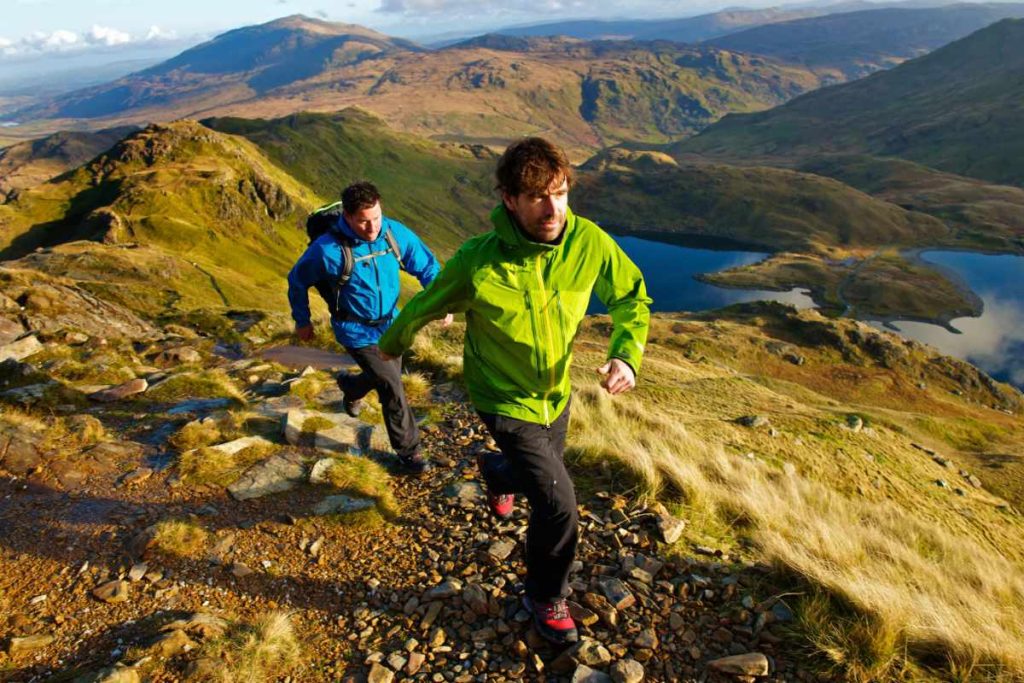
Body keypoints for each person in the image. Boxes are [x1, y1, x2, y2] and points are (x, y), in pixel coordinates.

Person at [378, 138, 651, 644]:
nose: (552, 209)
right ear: (509, 198)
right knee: (558, 503)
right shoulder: (477, 260)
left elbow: (632, 297)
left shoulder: (589, 242)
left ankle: (496, 471)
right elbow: (426, 304)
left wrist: (626, 354)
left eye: (560, 193)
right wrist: (390, 346)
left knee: (535, 476)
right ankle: (545, 596)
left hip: (555, 394)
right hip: (500, 397)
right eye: (535, 197)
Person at [288, 181, 450, 475]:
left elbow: (425, 265)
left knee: (384, 377)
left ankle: (351, 387)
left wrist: (441, 302)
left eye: (376, 217)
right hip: (355, 330)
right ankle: (409, 453)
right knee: (392, 386)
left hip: (392, 324)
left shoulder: (391, 233)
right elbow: (297, 280)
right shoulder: (327, 251)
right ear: (347, 217)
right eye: (364, 221)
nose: (372, 226)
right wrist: (302, 320)